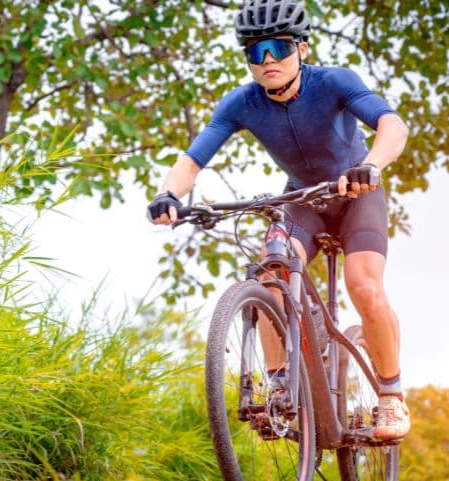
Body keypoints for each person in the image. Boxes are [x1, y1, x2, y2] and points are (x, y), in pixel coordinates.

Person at [146, 0, 410, 440]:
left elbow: (392, 125)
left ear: (302, 49)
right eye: (256, 50)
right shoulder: (241, 103)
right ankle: (280, 386)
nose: (268, 59)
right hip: (302, 199)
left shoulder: (334, 81)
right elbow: (192, 159)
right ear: (247, 59)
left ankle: (391, 395)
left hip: (355, 193)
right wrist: (168, 194)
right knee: (271, 274)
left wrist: (370, 166)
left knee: (364, 284)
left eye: (279, 47)